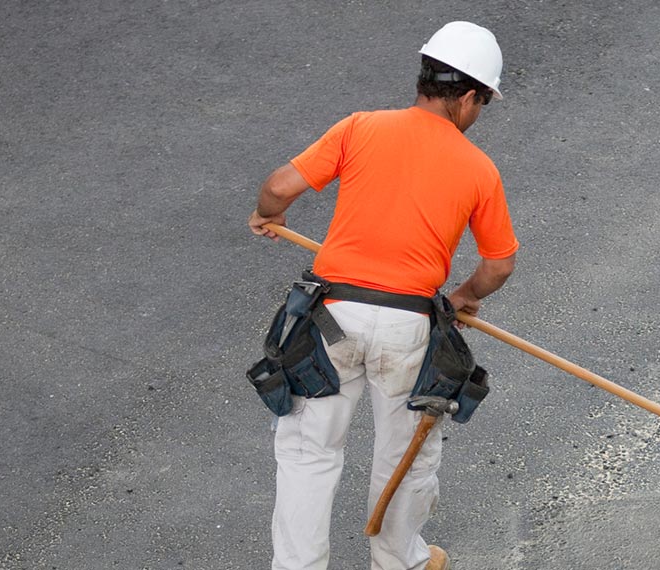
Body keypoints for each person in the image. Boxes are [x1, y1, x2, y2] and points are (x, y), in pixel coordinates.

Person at [247, 21, 517, 570]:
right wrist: (462, 297)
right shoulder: (477, 168)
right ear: (468, 97)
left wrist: (270, 215)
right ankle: (403, 562)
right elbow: (498, 265)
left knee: (307, 454)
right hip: (407, 326)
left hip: (330, 321)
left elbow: (278, 187)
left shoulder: (360, 127)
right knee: (406, 458)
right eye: (482, 103)